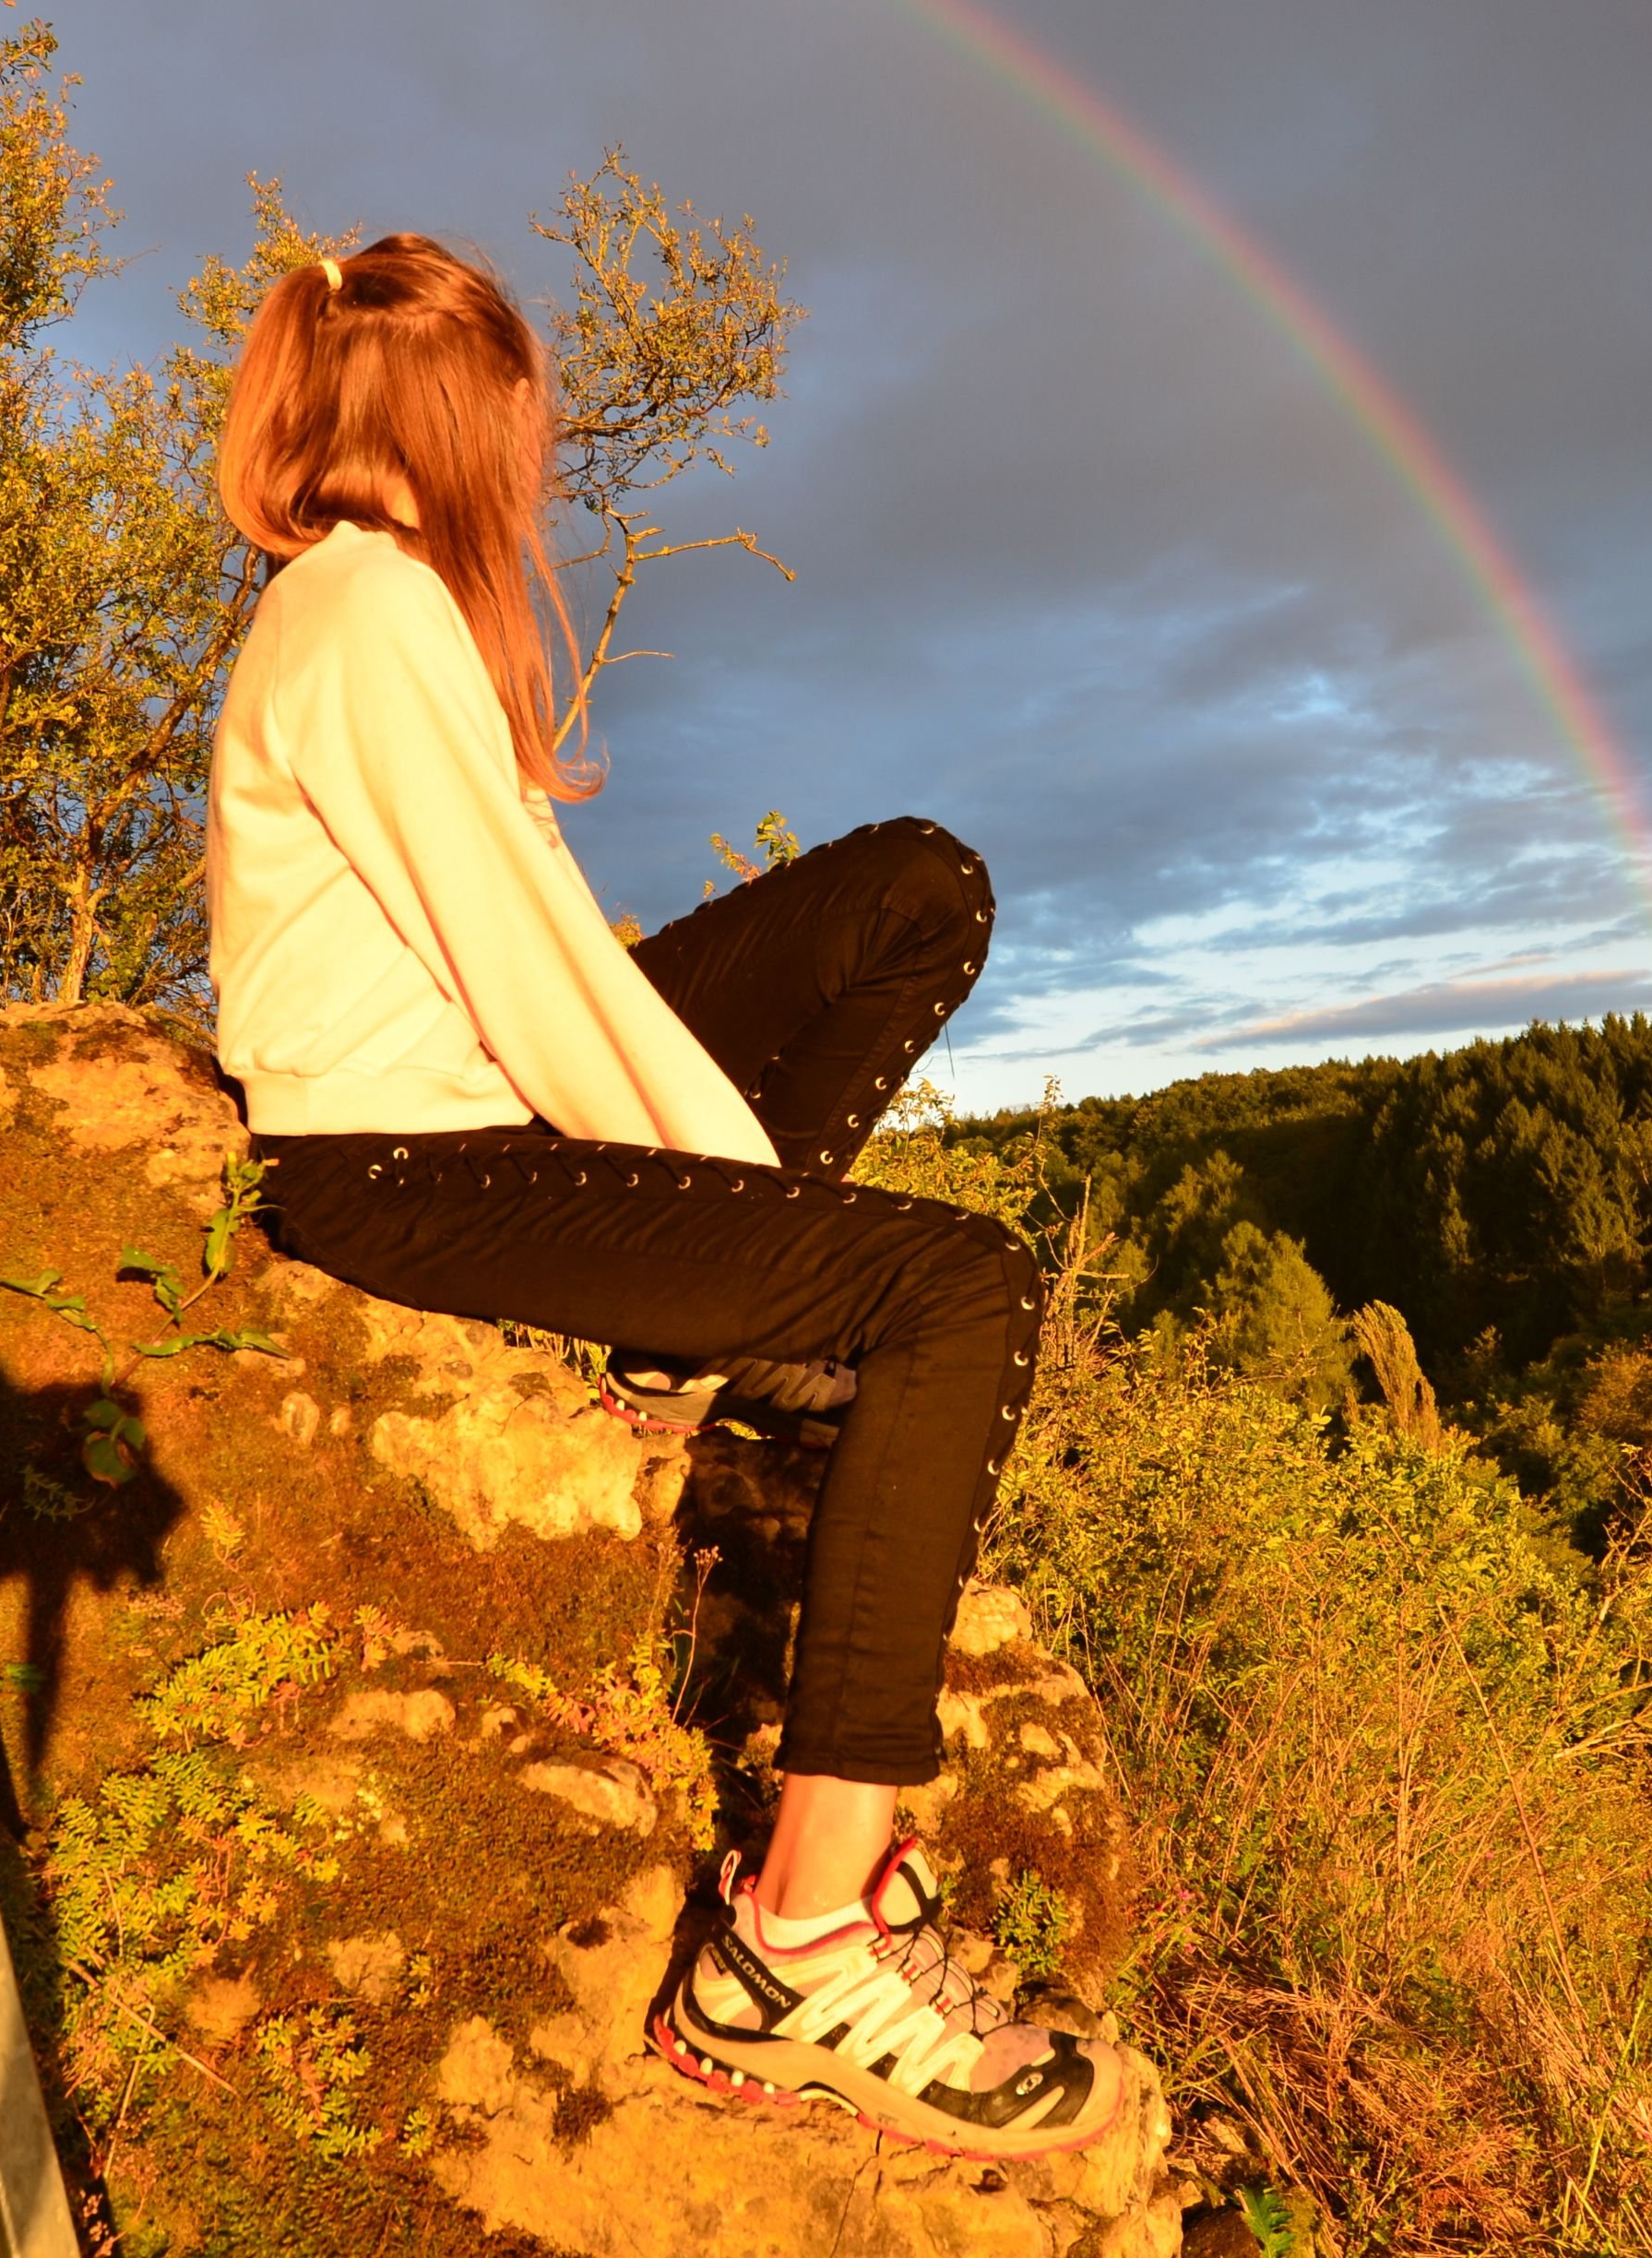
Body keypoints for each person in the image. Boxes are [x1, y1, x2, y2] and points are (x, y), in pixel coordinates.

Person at [202, 232, 1114, 2160]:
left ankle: (692, 1311)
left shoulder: (385, 607)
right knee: (956, 1295)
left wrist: (729, 1244)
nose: (540, 458)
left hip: (466, 1109)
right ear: (466, 418)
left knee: (916, 881)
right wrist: (744, 1240)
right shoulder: (368, 618)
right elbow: (529, 969)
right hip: (399, 1165)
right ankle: (791, 1946)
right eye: (526, 417)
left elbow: (526, 960)